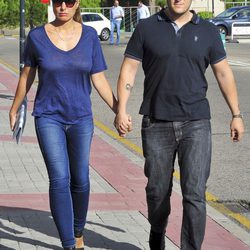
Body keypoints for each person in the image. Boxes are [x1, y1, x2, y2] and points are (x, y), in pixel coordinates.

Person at [114, 0, 245, 249]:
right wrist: (121, 110)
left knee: (194, 193)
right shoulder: (146, 27)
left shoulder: (208, 30)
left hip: (196, 123)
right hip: (156, 123)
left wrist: (236, 114)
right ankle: (157, 229)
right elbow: (129, 69)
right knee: (157, 192)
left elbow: (224, 73)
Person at [9, 0, 117, 249]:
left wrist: (118, 109)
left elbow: (98, 77)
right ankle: (69, 244)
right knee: (59, 178)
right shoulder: (37, 36)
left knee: (80, 179)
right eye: (58, 1)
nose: (63, 7)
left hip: (81, 118)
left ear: (76, 3)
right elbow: (27, 75)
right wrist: (14, 108)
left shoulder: (89, 36)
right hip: (49, 117)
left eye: (69, 2)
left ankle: (78, 232)